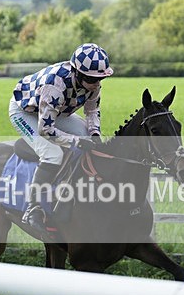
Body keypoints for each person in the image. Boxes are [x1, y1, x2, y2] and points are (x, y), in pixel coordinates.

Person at [8, 43, 113, 231]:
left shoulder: (93, 85)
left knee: (88, 138)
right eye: (92, 79)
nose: (97, 84)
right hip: (25, 112)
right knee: (52, 153)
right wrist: (76, 141)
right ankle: (33, 207)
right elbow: (46, 130)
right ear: (78, 74)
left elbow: (92, 111)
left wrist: (95, 133)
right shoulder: (55, 85)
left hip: (57, 112)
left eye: (100, 79)